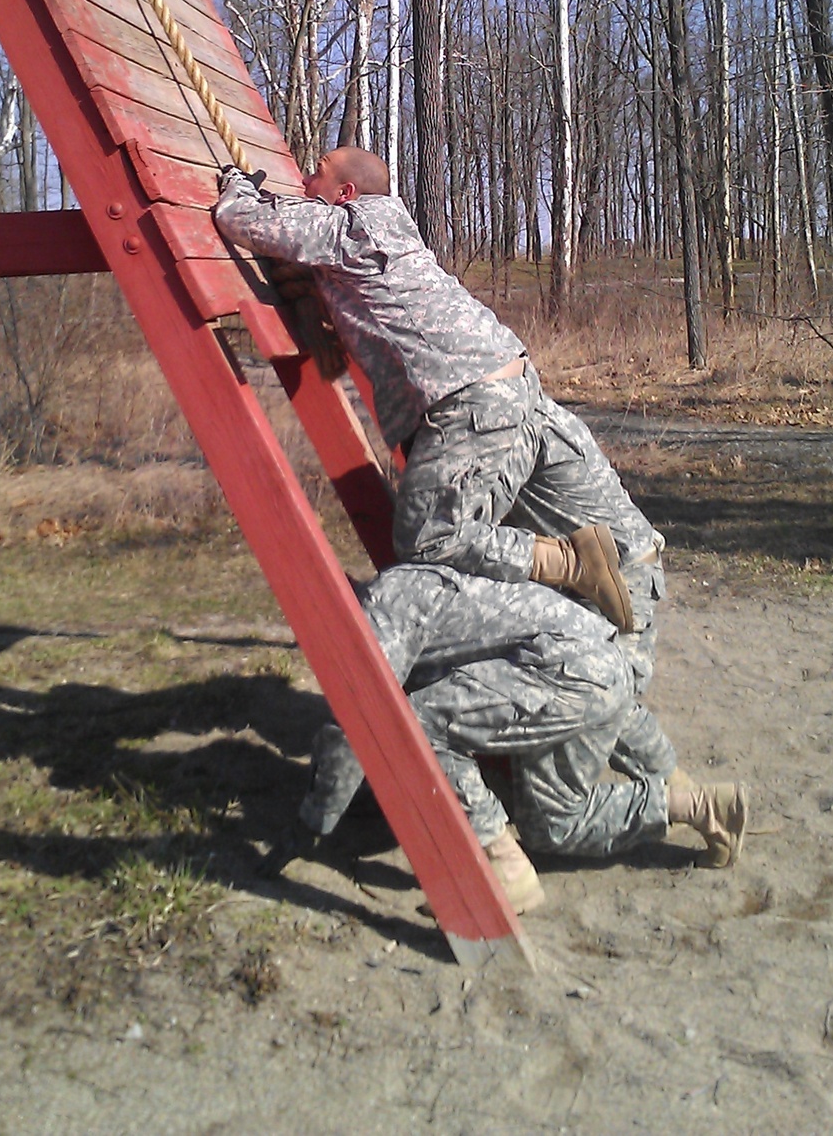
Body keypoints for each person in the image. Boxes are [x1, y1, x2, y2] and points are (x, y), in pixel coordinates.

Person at [214, 147, 667, 717]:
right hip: (501, 382)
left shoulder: (354, 225)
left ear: (347, 193)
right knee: (453, 536)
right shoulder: (375, 233)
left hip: (466, 394)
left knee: (431, 538)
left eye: (318, 171)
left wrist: (238, 183)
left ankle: (569, 564)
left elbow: (240, 220)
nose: (305, 177)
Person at [267, 562, 747, 912]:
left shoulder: (380, 612)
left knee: (417, 728)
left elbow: (358, 723)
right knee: (556, 824)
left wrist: (309, 826)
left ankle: (504, 866)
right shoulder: (410, 584)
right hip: (599, 665)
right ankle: (701, 806)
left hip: (567, 677)